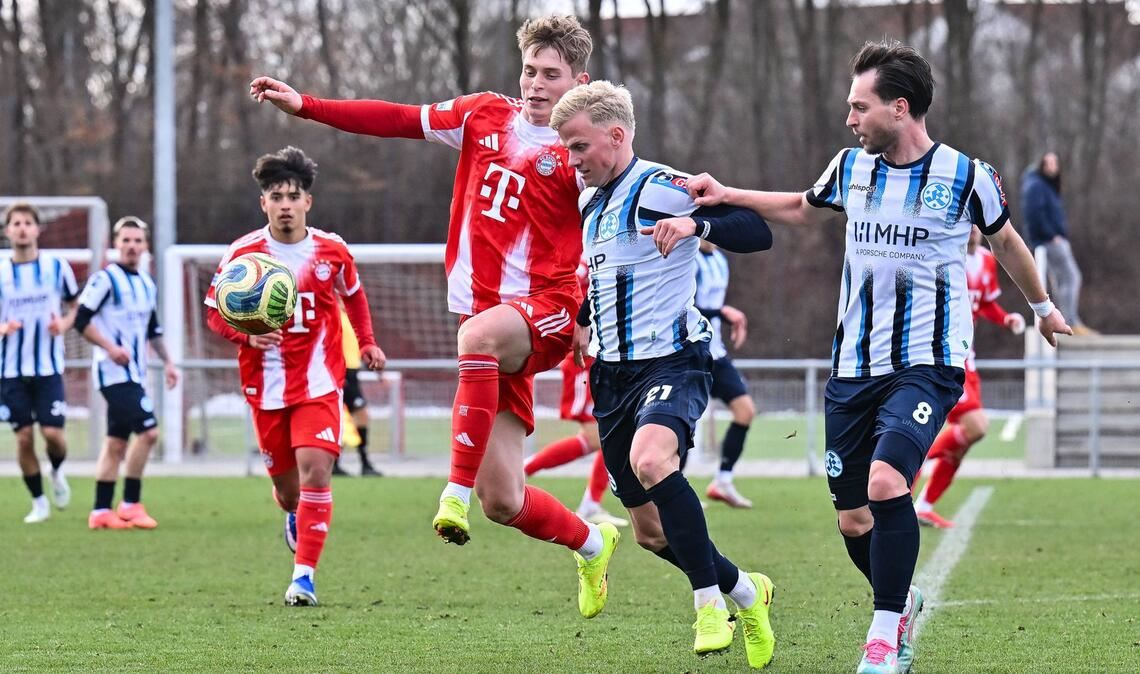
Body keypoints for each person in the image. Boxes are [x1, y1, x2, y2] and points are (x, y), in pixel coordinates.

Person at [682, 41, 1071, 674]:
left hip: (928, 362)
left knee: (888, 483)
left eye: (859, 107)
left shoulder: (967, 175)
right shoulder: (849, 167)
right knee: (853, 519)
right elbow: (799, 211)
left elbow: (1007, 241)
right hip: (852, 369)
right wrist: (727, 193)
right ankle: (902, 600)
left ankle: (884, 637)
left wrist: (1043, 307)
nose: (850, 119)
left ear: (900, 106)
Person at [250, 16, 621, 620]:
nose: (535, 84)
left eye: (551, 75)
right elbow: (397, 118)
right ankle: (592, 541)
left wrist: (585, 311)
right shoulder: (481, 116)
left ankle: (451, 494)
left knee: (472, 340)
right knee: (503, 498)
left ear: (578, 81)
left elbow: (608, 235)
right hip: (491, 326)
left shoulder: (580, 150)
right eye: (529, 69)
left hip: (545, 311)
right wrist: (308, 107)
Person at [552, 80, 776, 668]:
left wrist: (699, 227)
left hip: (673, 360)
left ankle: (708, 603)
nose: (571, 161)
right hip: (613, 374)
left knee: (654, 462)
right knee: (651, 534)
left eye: (578, 147)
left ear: (616, 136)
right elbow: (605, 276)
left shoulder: (659, 186)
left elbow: (758, 231)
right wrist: (581, 320)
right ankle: (747, 593)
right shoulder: (589, 200)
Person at [205, 147, 386, 606]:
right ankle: (294, 516)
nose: (285, 203)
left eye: (293, 195)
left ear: (308, 201)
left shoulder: (332, 250)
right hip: (264, 386)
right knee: (289, 493)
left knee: (317, 473)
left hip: (320, 381)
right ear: (263, 203)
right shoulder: (244, 254)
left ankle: (303, 577)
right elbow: (213, 315)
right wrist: (246, 338)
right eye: (275, 195)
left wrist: (366, 342)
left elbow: (355, 297)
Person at [912, 225, 1025, 528]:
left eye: (978, 225)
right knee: (976, 427)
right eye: (969, 224)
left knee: (963, 442)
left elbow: (984, 302)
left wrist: (1006, 318)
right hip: (945, 357)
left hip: (968, 359)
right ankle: (908, 463)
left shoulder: (987, 261)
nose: (974, 231)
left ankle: (923, 505)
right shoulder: (945, 259)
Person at [76, 216, 180, 530]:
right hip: (113, 374)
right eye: (126, 241)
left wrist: (169, 363)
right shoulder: (104, 280)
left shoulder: (147, 284)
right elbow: (81, 320)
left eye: (137, 241)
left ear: (145, 246)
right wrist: (110, 347)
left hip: (135, 374)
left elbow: (153, 329)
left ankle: (100, 511)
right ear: (115, 245)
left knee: (116, 444)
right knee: (149, 433)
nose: (132, 246)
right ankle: (131, 503)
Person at [524, 258, 627, 528]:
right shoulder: (584, 261)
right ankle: (522, 471)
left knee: (611, 434)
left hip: (604, 356)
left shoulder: (600, 257)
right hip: (584, 359)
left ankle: (590, 503)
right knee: (600, 437)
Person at [0, 203, 77, 523]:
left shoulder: (57, 267)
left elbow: (75, 306)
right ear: (7, 231)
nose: (21, 228)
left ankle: (57, 471)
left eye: (27, 223)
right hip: (10, 371)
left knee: (53, 435)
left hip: (48, 368)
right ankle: (39, 501)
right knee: (23, 437)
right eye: (15, 223)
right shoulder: (1, 272)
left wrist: (64, 323)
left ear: (37, 229)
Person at [694, 240, 757, 508]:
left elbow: (715, 307)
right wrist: (722, 312)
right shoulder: (689, 258)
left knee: (745, 411)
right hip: (690, 353)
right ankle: (670, 493)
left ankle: (723, 480)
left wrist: (726, 316)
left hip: (715, 353)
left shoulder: (720, 260)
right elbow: (683, 307)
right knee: (682, 424)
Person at [1021, 152, 1095, 336]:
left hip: (1052, 240)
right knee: (1072, 277)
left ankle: (1065, 320)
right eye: (1049, 162)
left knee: (1061, 281)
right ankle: (1071, 320)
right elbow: (1034, 215)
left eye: (1056, 162)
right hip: (1050, 241)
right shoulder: (1036, 185)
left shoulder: (1045, 185)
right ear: (1041, 165)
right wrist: (1051, 235)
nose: (1054, 166)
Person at [333, 306, 381, 477]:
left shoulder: (347, 316)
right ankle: (364, 462)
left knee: (346, 418)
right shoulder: (333, 314)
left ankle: (339, 464)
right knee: (356, 416)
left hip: (352, 372)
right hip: (341, 371)